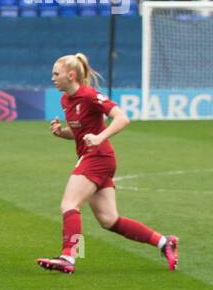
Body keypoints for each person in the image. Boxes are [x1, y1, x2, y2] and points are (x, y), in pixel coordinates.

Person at [37, 53, 178, 274]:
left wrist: (100, 137)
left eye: (56, 73)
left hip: (98, 157)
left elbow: (122, 118)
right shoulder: (66, 99)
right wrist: (60, 132)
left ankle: (68, 257)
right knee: (109, 220)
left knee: (69, 204)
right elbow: (78, 132)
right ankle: (164, 242)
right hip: (97, 157)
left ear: (71, 75)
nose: (52, 78)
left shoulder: (90, 95)